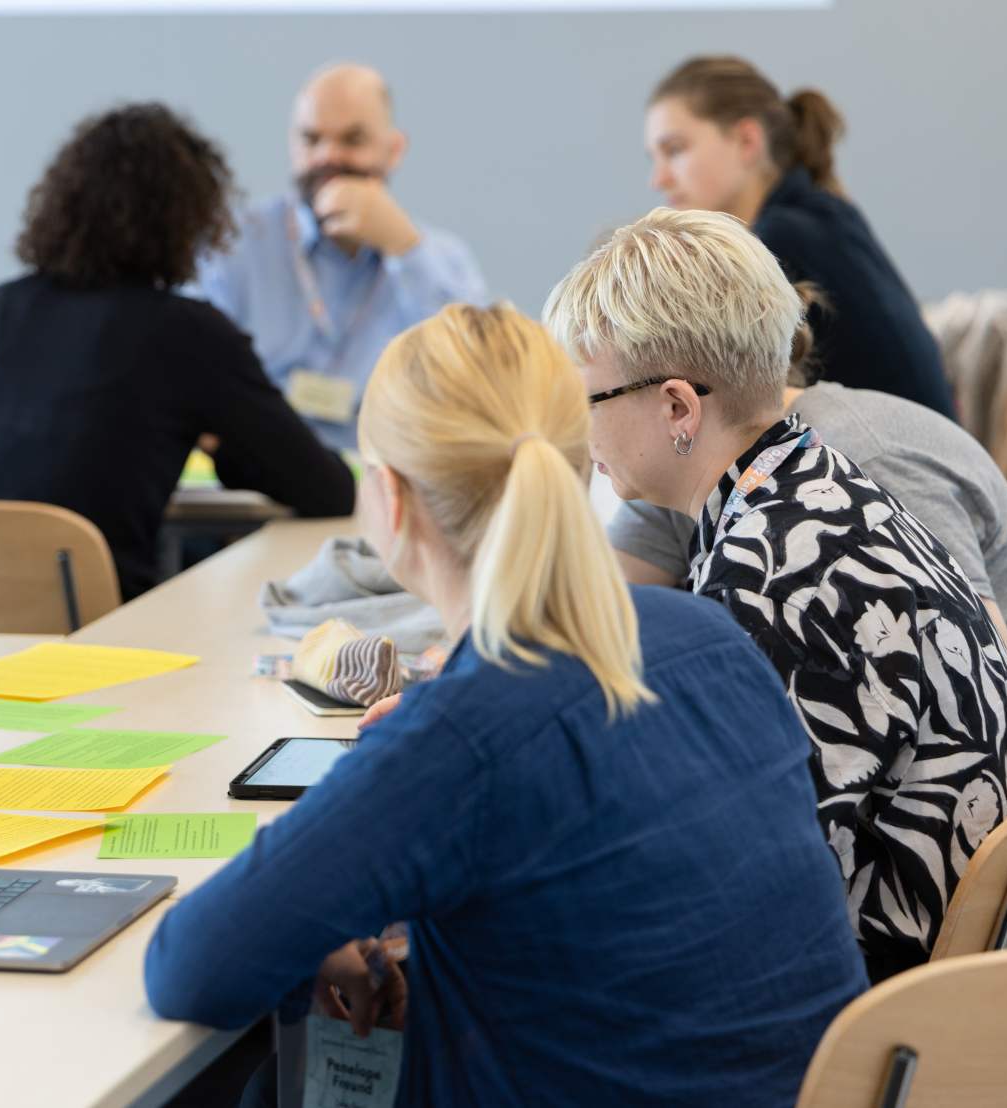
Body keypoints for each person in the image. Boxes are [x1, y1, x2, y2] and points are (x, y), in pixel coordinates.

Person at [146, 303, 867, 1104]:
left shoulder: (459, 735)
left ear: (389, 497)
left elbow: (190, 969)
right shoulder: (708, 636)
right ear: (581, 466)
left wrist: (310, 931)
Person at [544, 207, 1007, 981]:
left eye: (589, 401)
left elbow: (737, 886)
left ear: (677, 408)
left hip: (873, 1003)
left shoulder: (773, 575)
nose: (582, 433)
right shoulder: (816, 485)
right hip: (945, 979)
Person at [0, 103, 354, 600]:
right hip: (105, 620)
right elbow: (327, 490)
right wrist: (223, 446)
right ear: (186, 219)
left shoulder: (0, 308)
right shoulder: (187, 332)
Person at [611, 374, 1007, 750]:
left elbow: (997, 707)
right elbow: (606, 612)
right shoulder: (687, 467)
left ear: (677, 406)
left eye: (592, 398)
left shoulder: (857, 465)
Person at [191, 63, 486, 451]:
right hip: (253, 469)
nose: (327, 156)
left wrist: (405, 248)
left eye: (352, 139)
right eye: (310, 139)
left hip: (391, 471)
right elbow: (193, 372)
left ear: (394, 150)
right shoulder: (235, 242)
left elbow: (476, 376)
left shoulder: (440, 257)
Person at [645, 56, 955, 418]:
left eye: (675, 150)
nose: (659, 179)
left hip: (886, 453)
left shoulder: (783, 240)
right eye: (654, 158)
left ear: (746, 141)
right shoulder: (819, 214)